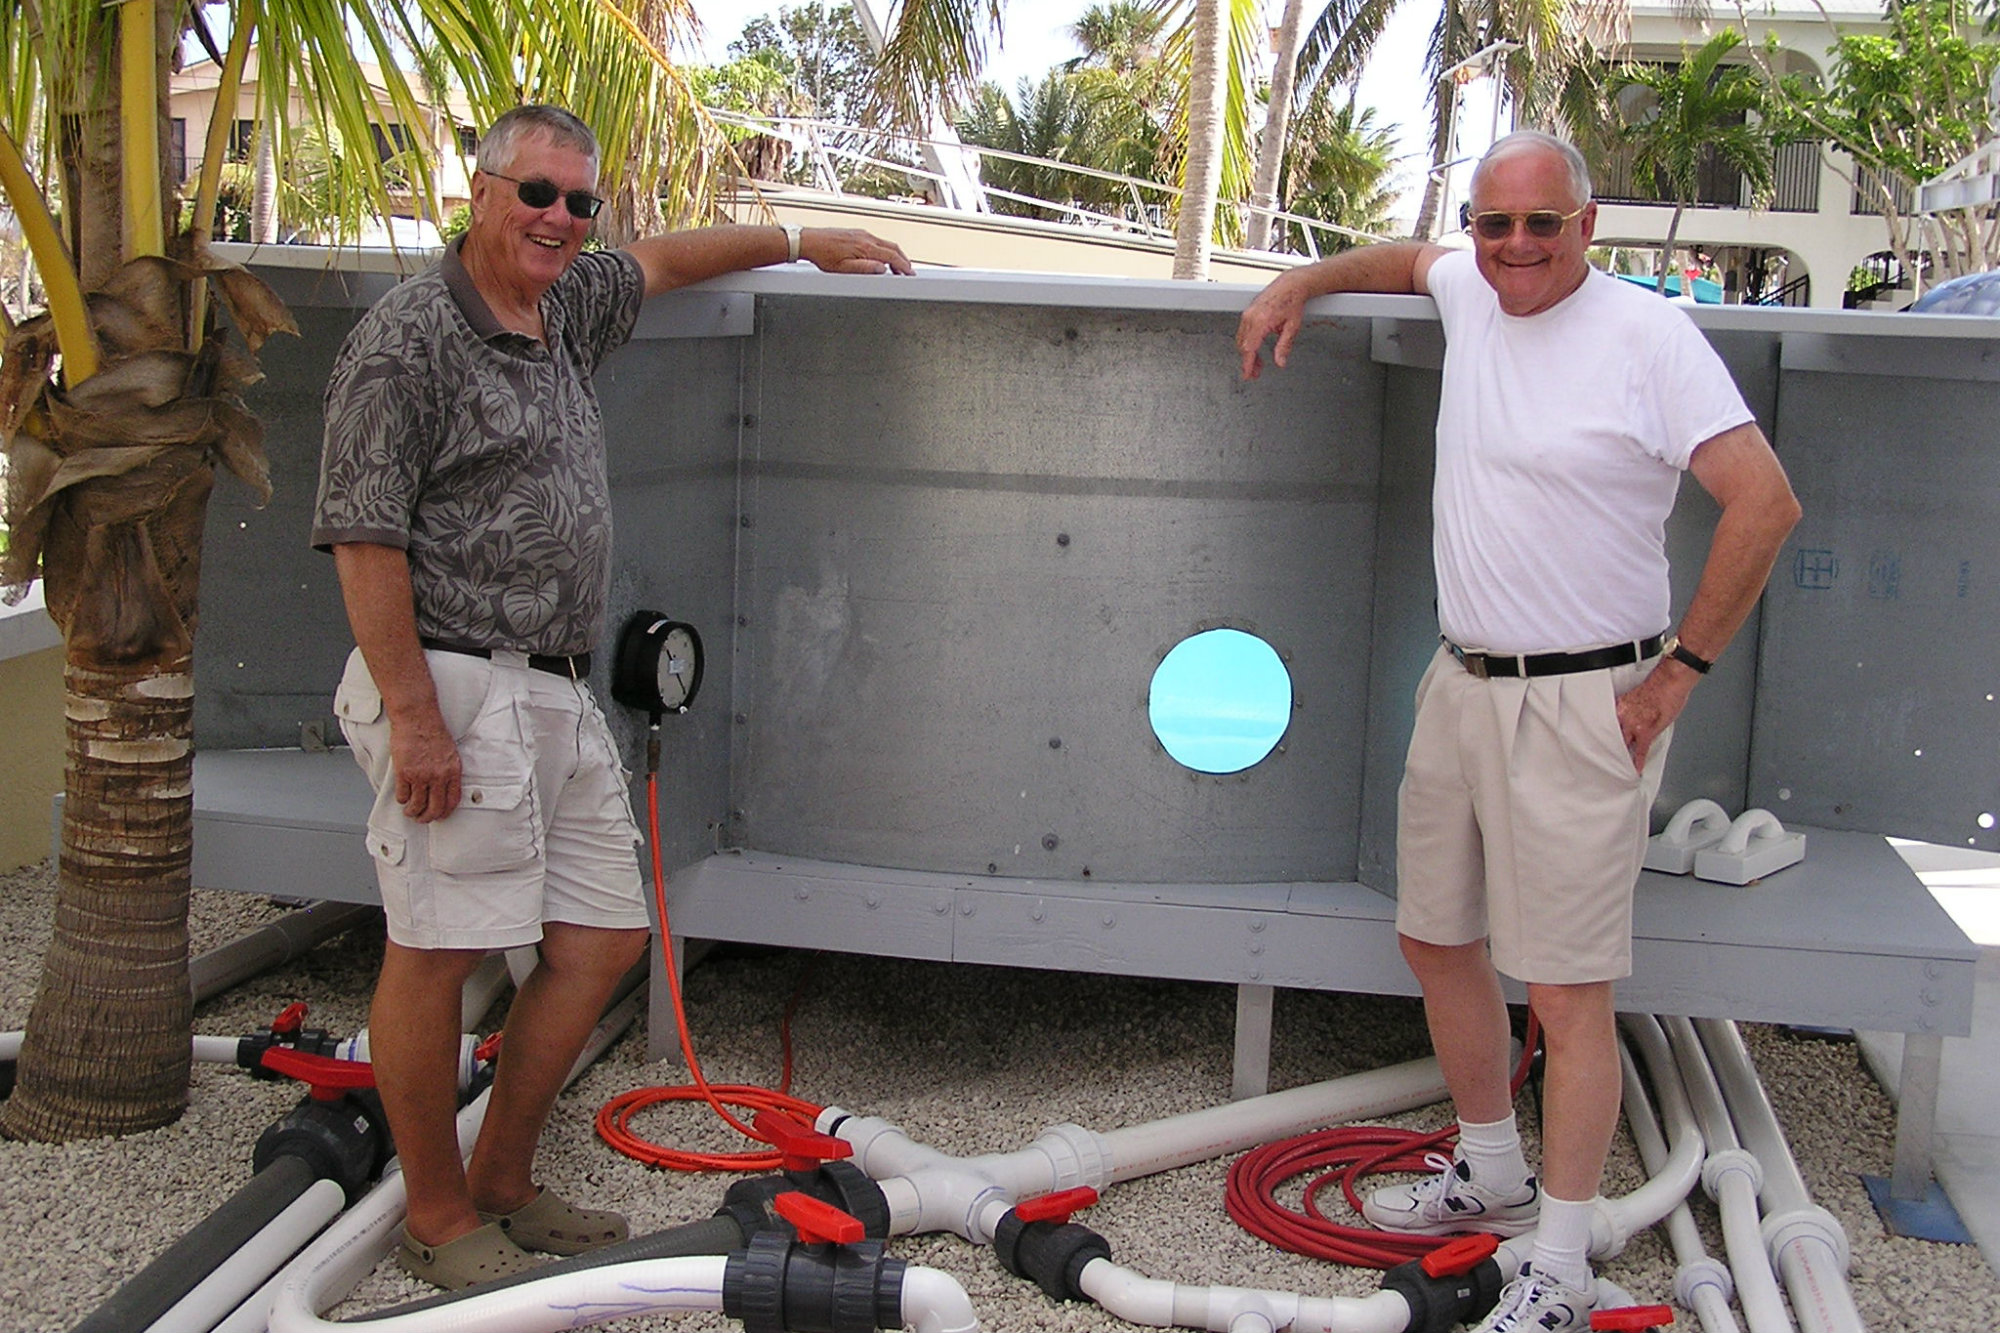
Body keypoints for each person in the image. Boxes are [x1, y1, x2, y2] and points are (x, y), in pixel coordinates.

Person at [310, 104, 912, 1291]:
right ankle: (436, 1214)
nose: (557, 219)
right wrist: (417, 718)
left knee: (600, 939)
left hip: (554, 684)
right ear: (480, 191)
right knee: (440, 947)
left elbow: (667, 259)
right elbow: (362, 540)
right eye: (536, 192)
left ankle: (503, 1182)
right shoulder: (408, 339)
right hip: (451, 678)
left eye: (578, 202)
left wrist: (802, 236)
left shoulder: (566, 304)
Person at [1236, 130, 1800, 1333]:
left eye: (1541, 223)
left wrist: (1675, 679)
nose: (1515, 247)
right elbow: (1408, 260)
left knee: (1565, 987)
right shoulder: (1468, 289)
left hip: (1586, 699)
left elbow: (1764, 501)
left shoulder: (1648, 338)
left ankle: (1558, 1260)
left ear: (1584, 225)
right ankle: (1488, 1175)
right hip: (1459, 681)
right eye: (1494, 223)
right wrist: (1305, 278)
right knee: (1434, 938)